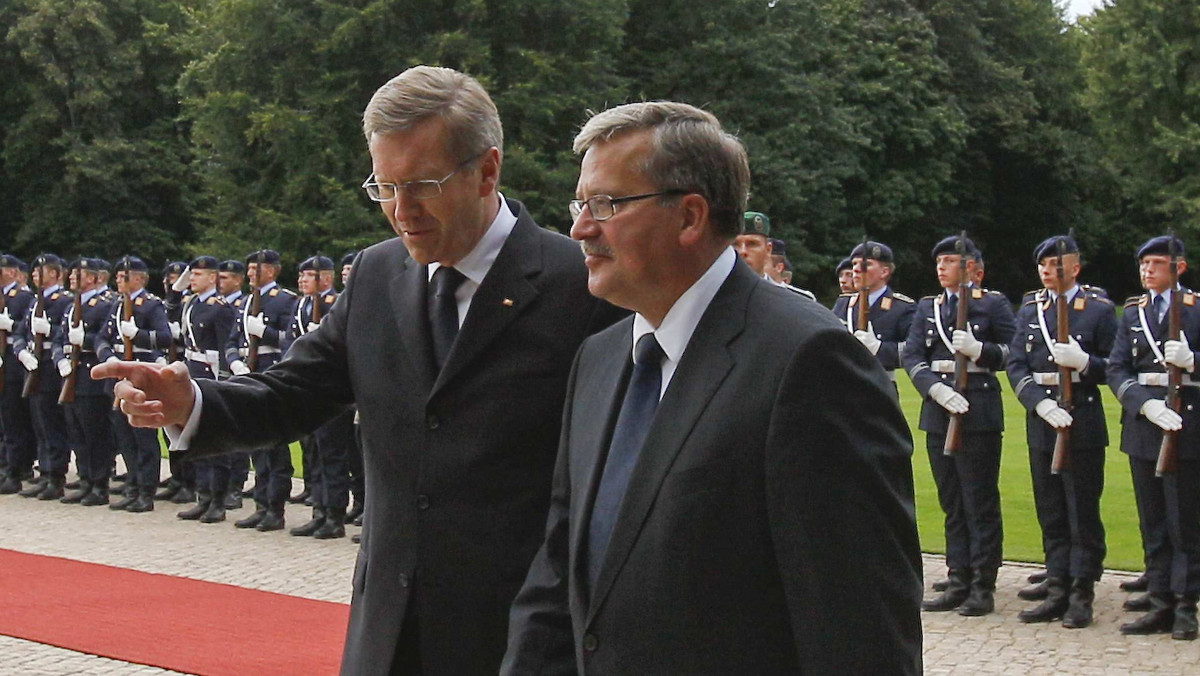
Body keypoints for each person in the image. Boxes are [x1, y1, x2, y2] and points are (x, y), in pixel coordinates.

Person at [95, 65, 623, 675]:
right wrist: (192, 405)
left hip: (517, 636)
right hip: (388, 631)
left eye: (422, 184)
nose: (402, 212)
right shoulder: (377, 276)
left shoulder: (579, 287)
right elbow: (295, 392)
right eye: (384, 187)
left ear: (487, 171)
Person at [502, 101, 921, 674]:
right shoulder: (598, 361)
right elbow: (558, 579)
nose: (580, 228)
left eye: (607, 204)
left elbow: (858, 629)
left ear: (690, 217)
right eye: (581, 204)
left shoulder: (808, 363)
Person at [1005, 235, 1116, 628]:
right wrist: (1040, 403)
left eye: (1056, 265)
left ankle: (1081, 591)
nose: (1048, 272)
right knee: (1050, 508)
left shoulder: (1098, 310)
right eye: (1043, 266)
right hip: (1043, 420)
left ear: (1074, 268)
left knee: (1080, 509)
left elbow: (1116, 367)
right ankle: (1056, 586)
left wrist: (1085, 363)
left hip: (1082, 420)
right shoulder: (1031, 309)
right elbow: (1016, 364)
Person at [902, 235, 1016, 616]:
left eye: (950, 261)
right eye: (939, 262)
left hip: (978, 409)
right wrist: (934, 389)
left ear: (971, 268)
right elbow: (914, 355)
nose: (941, 268)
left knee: (978, 500)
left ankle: (983, 582)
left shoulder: (993, 304)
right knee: (951, 501)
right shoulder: (928, 307)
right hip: (938, 411)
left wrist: (980, 351)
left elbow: (1014, 353)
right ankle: (958, 575)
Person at [1107, 235, 1199, 641]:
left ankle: (1185, 606)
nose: (1147, 271)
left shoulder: (1196, 310)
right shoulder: (1133, 313)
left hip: (1188, 423)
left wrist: (1194, 361)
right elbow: (1117, 368)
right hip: (1146, 424)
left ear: (1178, 268)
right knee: (1154, 521)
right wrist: (1144, 405)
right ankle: (1159, 601)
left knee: (1184, 522)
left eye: (1157, 263)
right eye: (1143, 264)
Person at [225, 249, 296, 532]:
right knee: (256, 443)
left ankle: (275, 508)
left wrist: (264, 333)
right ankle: (261, 503)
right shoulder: (244, 302)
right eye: (250, 268)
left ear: (272, 271)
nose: (252, 273)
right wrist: (234, 363)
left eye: (258, 268)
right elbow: (232, 339)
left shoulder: (285, 300)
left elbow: (292, 340)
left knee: (275, 446)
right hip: (248, 374)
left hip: (271, 375)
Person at [97, 256, 172, 512]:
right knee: (124, 434)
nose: (119, 280)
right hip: (119, 376)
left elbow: (165, 338)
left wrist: (137, 335)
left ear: (139, 278)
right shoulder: (118, 304)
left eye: (124, 277)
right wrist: (108, 358)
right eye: (117, 276)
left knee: (143, 437)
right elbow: (102, 338)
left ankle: (146, 491)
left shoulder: (151, 305)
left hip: (141, 377)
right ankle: (132, 484)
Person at [284, 255, 350, 540]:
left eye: (308, 276)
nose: (302, 280)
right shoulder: (302, 305)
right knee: (314, 453)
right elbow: (289, 339)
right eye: (302, 275)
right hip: (307, 386)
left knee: (332, 454)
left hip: (332, 389)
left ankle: (334, 515)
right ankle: (319, 510)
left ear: (326, 278)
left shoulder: (338, 303)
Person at [174, 256, 237, 524]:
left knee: (215, 439)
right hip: (193, 373)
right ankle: (203, 496)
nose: (193, 279)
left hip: (211, 375)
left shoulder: (219, 308)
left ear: (212, 278)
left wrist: (222, 380)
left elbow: (225, 347)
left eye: (198, 275)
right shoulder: (191, 304)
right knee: (196, 437)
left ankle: (218, 501)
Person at [53, 258, 119, 506]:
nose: (71, 278)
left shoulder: (105, 305)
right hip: (72, 374)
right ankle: (85, 480)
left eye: (77, 275)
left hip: (91, 374)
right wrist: (60, 358)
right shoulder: (73, 305)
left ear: (94, 278)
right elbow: (60, 337)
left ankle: (99, 484)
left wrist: (87, 341)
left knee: (95, 433)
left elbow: (107, 338)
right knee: (77, 431)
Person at [13, 254, 74, 500]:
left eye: (42, 271)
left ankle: (56, 474)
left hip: (50, 365)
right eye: (35, 272)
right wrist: (20, 351)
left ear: (56, 274)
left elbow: (67, 332)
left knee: (51, 421)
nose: (36, 275)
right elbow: (20, 331)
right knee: (39, 422)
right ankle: (46, 470)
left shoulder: (63, 300)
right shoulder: (35, 300)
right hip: (33, 363)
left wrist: (50, 330)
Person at [831, 241, 915, 383]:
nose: (856, 270)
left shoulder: (902, 307)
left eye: (866, 264)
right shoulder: (844, 304)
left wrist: (879, 348)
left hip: (880, 387)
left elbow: (914, 351)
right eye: (855, 264)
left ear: (884, 272)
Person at [0, 254, 37, 495]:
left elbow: (27, 328)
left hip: (13, 361)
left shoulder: (23, 297)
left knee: (13, 417)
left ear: (12, 272)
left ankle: (14, 467)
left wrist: (10, 325)